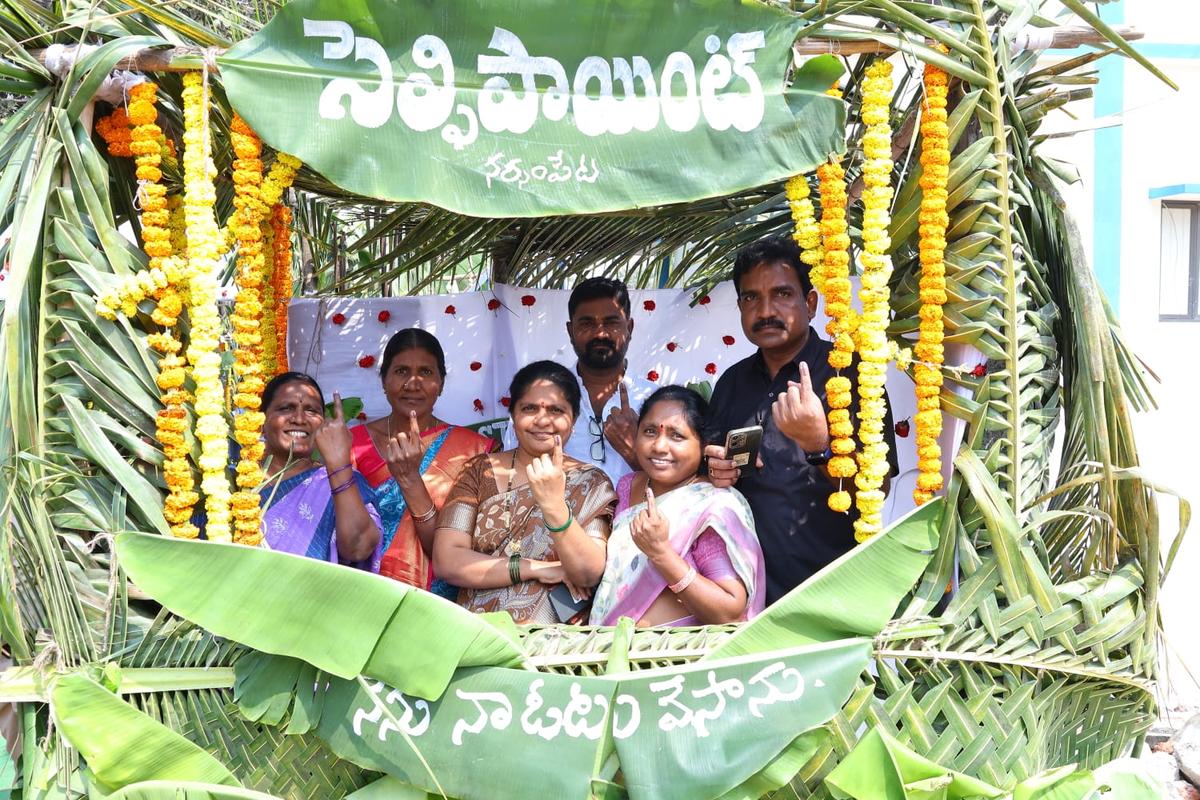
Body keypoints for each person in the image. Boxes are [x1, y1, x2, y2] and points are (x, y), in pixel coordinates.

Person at [705, 235, 899, 605]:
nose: (765, 311)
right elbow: (711, 469)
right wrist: (716, 471)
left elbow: (878, 491)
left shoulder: (851, 373)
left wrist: (821, 446)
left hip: (832, 590)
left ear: (809, 303)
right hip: (742, 594)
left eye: (781, 294)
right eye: (751, 298)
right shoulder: (731, 382)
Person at [434, 360, 616, 624]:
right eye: (529, 408)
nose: (542, 420)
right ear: (513, 414)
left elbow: (588, 573)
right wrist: (537, 569)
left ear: (573, 420)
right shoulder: (479, 471)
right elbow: (447, 560)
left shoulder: (592, 483)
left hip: (557, 646)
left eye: (556, 410)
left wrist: (554, 506)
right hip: (478, 634)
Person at [589, 386, 765, 627]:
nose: (660, 446)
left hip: (678, 656)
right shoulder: (628, 486)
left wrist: (661, 554)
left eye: (677, 436)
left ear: (703, 444)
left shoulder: (713, 504)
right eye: (650, 431)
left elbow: (729, 612)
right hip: (613, 651)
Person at [350, 328, 496, 590]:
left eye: (426, 372)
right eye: (401, 371)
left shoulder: (475, 451)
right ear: (384, 380)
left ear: (441, 383)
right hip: (362, 589)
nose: (413, 383)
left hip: (442, 600)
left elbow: (473, 546)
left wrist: (409, 479)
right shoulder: (352, 444)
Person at [502, 277, 656, 486]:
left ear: (629, 328)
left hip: (637, 518)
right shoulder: (539, 399)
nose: (600, 333)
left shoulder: (655, 402)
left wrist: (634, 452)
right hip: (555, 517)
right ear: (570, 330)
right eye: (587, 323)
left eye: (611, 322)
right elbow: (513, 473)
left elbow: (680, 491)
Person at [258, 372, 383, 568]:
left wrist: (338, 464)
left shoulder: (344, 480)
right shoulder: (230, 480)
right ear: (261, 419)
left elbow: (359, 548)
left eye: (311, 411)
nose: (299, 419)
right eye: (286, 408)